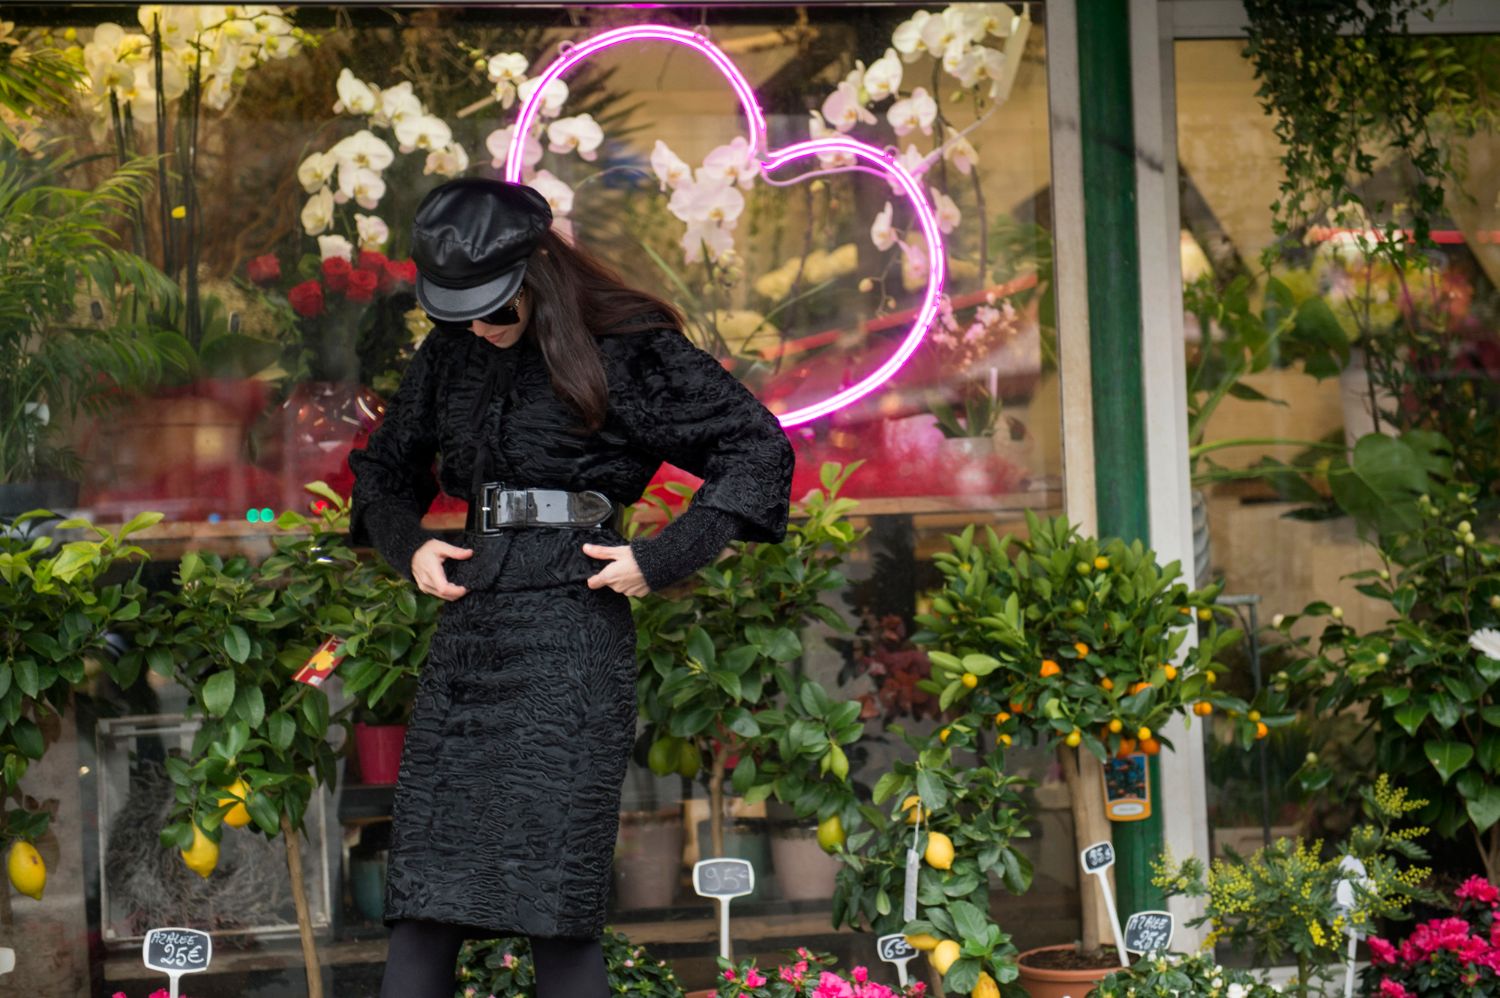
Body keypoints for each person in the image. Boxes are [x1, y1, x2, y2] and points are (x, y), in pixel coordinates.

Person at [348, 177, 795, 998]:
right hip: (473, 630)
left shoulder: (625, 345)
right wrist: (407, 544)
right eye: (459, 311)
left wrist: (663, 557)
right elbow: (383, 470)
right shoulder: (453, 348)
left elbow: (756, 448)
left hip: (571, 628)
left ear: (536, 274)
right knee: (423, 903)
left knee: (555, 907)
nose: (478, 326)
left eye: (493, 307)